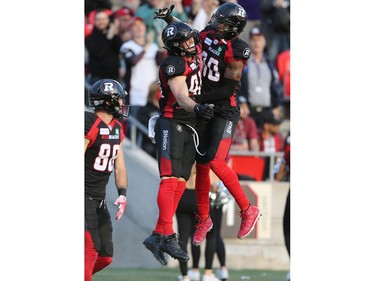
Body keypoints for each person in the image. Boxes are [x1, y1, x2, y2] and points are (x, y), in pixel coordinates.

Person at [154, 1, 261, 247]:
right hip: (203, 109)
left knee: (215, 161)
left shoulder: (238, 49)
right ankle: (203, 218)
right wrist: (170, 21)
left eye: (223, 22)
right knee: (201, 165)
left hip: (224, 109)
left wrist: (195, 100)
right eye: (217, 19)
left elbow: (228, 88)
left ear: (234, 28)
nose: (216, 24)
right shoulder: (208, 34)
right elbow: (188, 36)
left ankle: (247, 209)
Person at [142, 21, 215, 266]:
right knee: (169, 179)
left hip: (188, 126)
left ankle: (157, 234)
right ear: (176, 46)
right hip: (173, 123)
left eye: (189, 38)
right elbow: (182, 95)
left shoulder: (190, 50)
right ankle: (166, 233)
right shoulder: (173, 63)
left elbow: (191, 31)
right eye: (184, 41)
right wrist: (198, 107)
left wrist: (172, 22)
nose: (191, 42)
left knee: (181, 182)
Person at [84, 79, 131, 281]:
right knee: (90, 250)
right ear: (108, 101)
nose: (121, 103)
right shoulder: (89, 122)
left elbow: (119, 166)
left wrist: (122, 194)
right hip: (83, 196)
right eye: (119, 99)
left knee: (104, 256)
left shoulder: (116, 128)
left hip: (99, 200)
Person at [176, 162, 230, 281]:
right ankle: (207, 273)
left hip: (182, 194)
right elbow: (212, 180)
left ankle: (185, 275)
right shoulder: (200, 150)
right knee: (211, 235)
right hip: (199, 196)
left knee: (183, 238)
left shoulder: (182, 151)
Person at [238, 27, 284, 129]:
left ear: (264, 41)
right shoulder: (243, 63)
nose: (256, 43)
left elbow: (276, 87)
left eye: (259, 40)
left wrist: (277, 106)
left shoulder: (269, 64)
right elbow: (236, 85)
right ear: (249, 42)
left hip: (267, 113)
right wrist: (241, 102)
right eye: (253, 40)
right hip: (248, 113)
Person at [136, 80, 161, 158]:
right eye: (160, 91)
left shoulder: (166, 111)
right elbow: (144, 128)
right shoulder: (145, 110)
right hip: (149, 145)